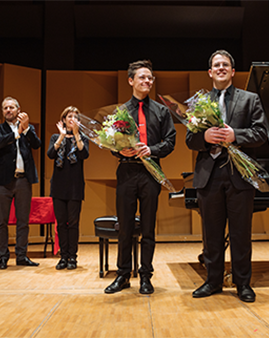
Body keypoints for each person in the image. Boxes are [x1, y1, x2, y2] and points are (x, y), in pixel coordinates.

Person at [186, 50, 267, 301]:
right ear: (210, 72)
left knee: (241, 233)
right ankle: (212, 282)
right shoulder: (198, 103)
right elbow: (190, 139)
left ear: (232, 71)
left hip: (238, 174)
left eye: (226, 65)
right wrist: (204, 137)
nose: (221, 68)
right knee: (211, 234)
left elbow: (261, 133)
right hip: (208, 175)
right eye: (216, 65)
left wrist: (236, 136)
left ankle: (243, 284)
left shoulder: (250, 99)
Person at [104, 60, 176, 294]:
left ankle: (146, 276)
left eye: (150, 78)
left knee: (148, 227)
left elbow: (170, 141)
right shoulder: (120, 112)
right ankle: (123, 275)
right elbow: (111, 142)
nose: (147, 81)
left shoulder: (162, 111)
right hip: (126, 171)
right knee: (124, 227)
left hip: (151, 172)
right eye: (142, 77)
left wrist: (152, 150)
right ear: (131, 81)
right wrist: (118, 150)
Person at [0, 96, 41, 270]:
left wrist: (26, 129)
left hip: (23, 180)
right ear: (3, 111)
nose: (8, 110)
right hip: (2, 182)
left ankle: (21, 255)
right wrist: (17, 132)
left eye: (12, 107)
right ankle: (3, 256)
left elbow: (37, 144)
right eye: (5, 108)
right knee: (1, 221)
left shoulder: (28, 128)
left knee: (23, 221)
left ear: (18, 110)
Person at [47, 106, 89, 270]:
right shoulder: (56, 137)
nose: (72, 119)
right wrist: (62, 137)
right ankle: (63, 256)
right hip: (58, 186)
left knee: (73, 223)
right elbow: (51, 154)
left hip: (75, 186)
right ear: (63, 120)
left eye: (76, 117)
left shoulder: (82, 138)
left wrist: (76, 134)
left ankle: (73, 257)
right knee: (61, 224)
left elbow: (83, 154)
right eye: (69, 116)